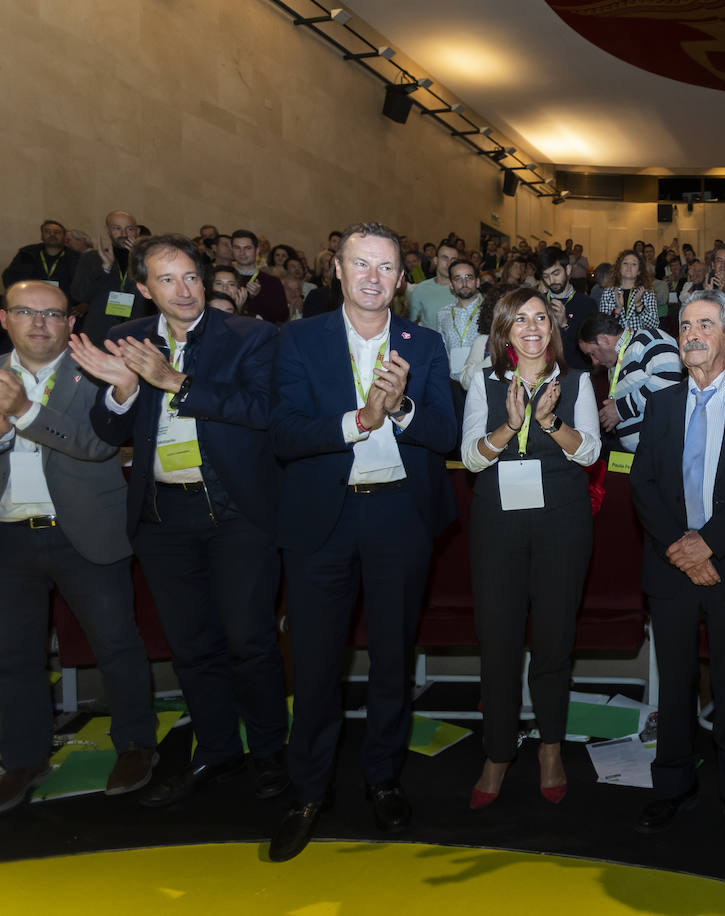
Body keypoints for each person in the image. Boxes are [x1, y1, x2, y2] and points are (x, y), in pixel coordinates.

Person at [70, 235, 289, 809]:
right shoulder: (124, 339)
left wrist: (177, 383)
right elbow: (112, 430)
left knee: (251, 640)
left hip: (236, 510)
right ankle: (218, 750)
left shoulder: (250, 336)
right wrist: (120, 392)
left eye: (191, 276)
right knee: (192, 646)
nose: (184, 289)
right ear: (143, 288)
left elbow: (265, 413)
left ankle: (270, 752)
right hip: (162, 513)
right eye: (167, 280)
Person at [267, 222, 457, 862]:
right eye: (361, 265)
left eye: (386, 267)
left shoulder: (423, 344)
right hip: (323, 523)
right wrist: (359, 420)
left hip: (399, 518)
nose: (374, 277)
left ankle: (383, 777)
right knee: (316, 665)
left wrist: (401, 411)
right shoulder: (299, 341)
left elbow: (448, 433)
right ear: (338, 272)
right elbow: (286, 433)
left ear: (402, 280)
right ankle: (307, 793)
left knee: (392, 661)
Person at [630, 288, 725, 849]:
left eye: (704, 325)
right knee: (673, 688)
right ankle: (672, 786)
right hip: (672, 567)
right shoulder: (661, 403)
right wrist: (681, 546)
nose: (692, 334)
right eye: (685, 325)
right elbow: (643, 483)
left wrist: (708, 546)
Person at [0, 281, 158, 811]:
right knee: (13, 656)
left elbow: (98, 443)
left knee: (116, 644)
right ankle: (23, 758)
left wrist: (22, 412)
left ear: (72, 323)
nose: (39, 323)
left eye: (53, 314)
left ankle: (135, 745)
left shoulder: (92, 366)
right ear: (5, 319)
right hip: (8, 536)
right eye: (26, 311)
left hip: (82, 531)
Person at [460, 288, 600, 810]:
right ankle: (496, 753)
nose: (533, 327)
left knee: (553, 642)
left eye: (541, 317)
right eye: (520, 319)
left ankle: (549, 748)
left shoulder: (577, 380)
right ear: (504, 330)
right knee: (496, 642)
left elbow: (589, 452)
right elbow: (472, 459)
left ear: (553, 326)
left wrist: (548, 424)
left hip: (562, 522)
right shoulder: (484, 380)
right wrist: (511, 426)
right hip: (497, 522)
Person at [577, 312, 682, 453]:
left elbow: (668, 384)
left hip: (663, 451)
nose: (594, 362)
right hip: (642, 456)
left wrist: (620, 409)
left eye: (592, 353)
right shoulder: (614, 367)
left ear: (604, 340)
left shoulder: (649, 339)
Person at [69, 209, 151, 347]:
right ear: (108, 230)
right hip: (99, 335)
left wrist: (139, 260)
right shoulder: (91, 258)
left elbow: (156, 296)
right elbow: (79, 294)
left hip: (137, 335)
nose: (124, 234)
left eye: (129, 229)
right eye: (117, 228)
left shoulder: (149, 260)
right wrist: (104, 269)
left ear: (137, 231)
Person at [539, 247, 597, 373]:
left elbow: (590, 350)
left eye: (556, 273)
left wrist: (565, 324)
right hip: (544, 373)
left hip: (576, 372)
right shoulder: (538, 303)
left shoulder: (587, 304)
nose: (551, 281)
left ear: (568, 270)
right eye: (546, 276)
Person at [437, 259, 482, 384]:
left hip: (481, 381)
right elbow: (442, 350)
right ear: (451, 285)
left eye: (469, 277)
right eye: (458, 278)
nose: (464, 283)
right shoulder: (443, 314)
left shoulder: (490, 312)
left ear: (477, 282)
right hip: (453, 381)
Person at [230, 230, 289, 325]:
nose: (242, 253)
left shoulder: (272, 281)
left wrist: (258, 296)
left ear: (257, 250)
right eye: (237, 248)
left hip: (262, 335)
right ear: (232, 250)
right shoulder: (223, 278)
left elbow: (282, 316)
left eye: (247, 248)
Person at [4, 220, 79, 293]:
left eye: (57, 232)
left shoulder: (76, 257)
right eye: (47, 232)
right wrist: (17, 294)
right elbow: (9, 275)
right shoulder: (27, 253)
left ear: (64, 237)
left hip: (64, 302)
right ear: (42, 236)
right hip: (30, 299)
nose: (52, 235)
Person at [599, 250, 659, 333]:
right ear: (619, 268)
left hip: (640, 341)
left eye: (634, 264)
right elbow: (603, 326)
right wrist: (618, 309)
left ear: (639, 271)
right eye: (625, 263)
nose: (629, 267)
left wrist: (639, 305)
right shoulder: (608, 292)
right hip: (616, 342)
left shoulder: (647, 292)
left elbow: (654, 325)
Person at [405, 244, 458, 330]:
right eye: (445, 258)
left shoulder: (464, 290)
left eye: (453, 260)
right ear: (436, 260)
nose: (449, 264)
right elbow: (412, 324)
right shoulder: (421, 289)